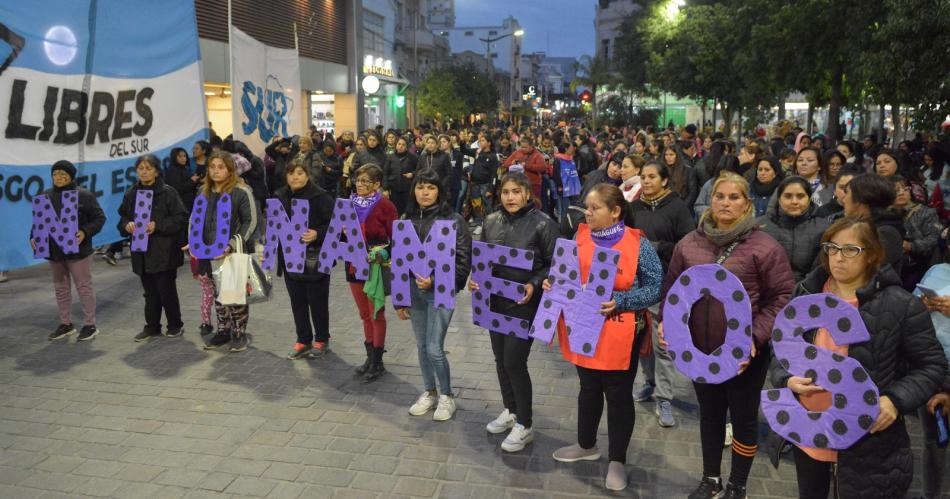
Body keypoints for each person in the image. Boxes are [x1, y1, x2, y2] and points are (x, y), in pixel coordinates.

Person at [770, 216, 947, 499]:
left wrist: (895, 400)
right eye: (832, 248)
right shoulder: (806, 292)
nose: (838, 258)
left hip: (868, 441)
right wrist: (785, 377)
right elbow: (781, 347)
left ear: (871, 255)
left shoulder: (900, 305)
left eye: (850, 250)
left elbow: (932, 365)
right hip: (809, 430)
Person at [660, 172, 795, 499]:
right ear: (711, 199)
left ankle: (737, 485)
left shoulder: (764, 247)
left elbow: (783, 297)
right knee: (710, 415)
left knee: (744, 419)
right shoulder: (689, 243)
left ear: (747, 204)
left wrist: (755, 338)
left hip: (744, 355)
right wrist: (669, 324)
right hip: (700, 351)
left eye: (734, 197)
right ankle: (710, 479)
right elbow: (672, 290)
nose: (725, 202)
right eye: (720, 195)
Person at [547, 184, 663, 491]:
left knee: (618, 394)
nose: (588, 213)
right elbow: (567, 274)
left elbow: (655, 287)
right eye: (587, 207)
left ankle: (617, 460)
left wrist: (622, 301)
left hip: (621, 330)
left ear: (616, 211)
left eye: (595, 208)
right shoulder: (579, 236)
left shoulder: (638, 244)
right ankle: (586, 445)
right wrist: (553, 285)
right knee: (588, 388)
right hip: (582, 326)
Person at [470, 172, 557, 453]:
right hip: (495, 300)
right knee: (500, 360)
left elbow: (555, 265)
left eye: (516, 191)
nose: (510, 197)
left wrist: (533, 284)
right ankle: (510, 409)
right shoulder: (491, 220)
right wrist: (476, 277)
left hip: (525, 304)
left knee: (514, 361)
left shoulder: (544, 224)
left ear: (527, 194)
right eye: (505, 192)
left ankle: (525, 424)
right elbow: (482, 257)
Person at [396, 170, 472, 421]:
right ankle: (429, 392)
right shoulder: (406, 218)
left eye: (430, 187)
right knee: (421, 346)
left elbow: (463, 263)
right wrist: (399, 299)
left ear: (440, 190)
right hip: (413, 292)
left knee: (434, 348)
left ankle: (447, 396)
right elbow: (399, 260)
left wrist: (436, 281)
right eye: (420, 187)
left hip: (440, 291)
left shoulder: (453, 221)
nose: (425, 193)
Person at [626, 162, 695, 428]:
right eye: (643, 176)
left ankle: (664, 398)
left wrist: (658, 247)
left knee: (663, 343)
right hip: (637, 283)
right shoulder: (634, 207)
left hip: (666, 284)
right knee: (642, 340)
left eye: (652, 176)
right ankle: (649, 382)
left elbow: (687, 244)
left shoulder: (677, 208)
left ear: (665, 181)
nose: (647, 180)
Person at [187, 152, 257, 352]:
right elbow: (194, 219)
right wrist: (192, 242)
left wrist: (231, 245)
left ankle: (239, 333)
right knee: (217, 294)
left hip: (231, 252)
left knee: (234, 294)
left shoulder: (241, 191)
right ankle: (223, 331)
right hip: (207, 252)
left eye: (221, 167)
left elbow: (250, 222)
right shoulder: (203, 191)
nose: (216, 171)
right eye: (212, 167)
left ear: (230, 170)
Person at [117, 154, 188, 341]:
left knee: (166, 291)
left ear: (156, 171)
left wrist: (158, 225)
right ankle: (152, 326)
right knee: (149, 292)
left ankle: (175, 325)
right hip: (141, 251)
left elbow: (180, 218)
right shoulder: (131, 193)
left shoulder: (168, 192)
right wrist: (127, 225)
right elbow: (122, 218)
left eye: (148, 168)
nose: (144, 172)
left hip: (164, 251)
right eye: (141, 168)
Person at [38, 160, 106, 342]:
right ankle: (66, 323)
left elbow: (99, 218)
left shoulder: (84, 195)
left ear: (71, 176)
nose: (58, 177)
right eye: (55, 174)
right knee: (60, 288)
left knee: (83, 287)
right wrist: (33, 237)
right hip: (55, 252)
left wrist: (85, 232)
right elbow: (39, 221)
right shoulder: (46, 195)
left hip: (79, 252)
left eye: (62, 174)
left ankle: (89, 324)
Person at [274, 158, 336, 359]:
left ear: (307, 175)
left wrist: (317, 233)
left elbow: (336, 225)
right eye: (291, 173)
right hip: (290, 258)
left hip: (315, 258)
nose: (295, 177)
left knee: (317, 302)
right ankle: (303, 340)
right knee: (297, 302)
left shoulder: (321, 197)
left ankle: (321, 339)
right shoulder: (280, 196)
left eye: (300, 173)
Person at [348, 165, 398, 382]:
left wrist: (382, 253)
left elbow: (396, 238)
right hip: (353, 264)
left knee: (376, 312)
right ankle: (369, 358)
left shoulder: (386, 206)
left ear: (377, 184)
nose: (360, 185)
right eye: (358, 180)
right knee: (364, 314)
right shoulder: (348, 204)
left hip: (375, 265)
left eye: (366, 181)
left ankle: (377, 361)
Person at [757, 177, 830, 283]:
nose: (794, 201)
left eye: (800, 196)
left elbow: (820, 271)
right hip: (768, 290)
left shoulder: (823, 228)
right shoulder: (760, 226)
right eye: (788, 196)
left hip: (808, 291)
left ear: (809, 199)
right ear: (779, 198)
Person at [918, 262, 950, 499]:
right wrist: (923, 305)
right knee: (933, 441)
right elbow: (910, 306)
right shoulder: (937, 270)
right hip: (931, 369)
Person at [840, 173, 904, 269]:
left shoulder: (887, 234)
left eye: (847, 193)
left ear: (861, 199)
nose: (843, 199)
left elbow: (866, 270)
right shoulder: (849, 226)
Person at [891, 175, 942, 291]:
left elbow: (933, 239)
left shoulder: (926, 213)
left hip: (916, 264)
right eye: (896, 190)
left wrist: (911, 246)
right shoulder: (884, 213)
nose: (901, 193)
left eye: (905, 189)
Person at [382, 136, 418, 214]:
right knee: (394, 212)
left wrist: (412, 174)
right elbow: (385, 173)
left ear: (407, 146)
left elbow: (419, 170)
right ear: (396, 145)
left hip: (408, 190)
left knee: (407, 212)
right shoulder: (390, 157)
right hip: (393, 190)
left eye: (403, 145)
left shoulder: (413, 157)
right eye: (399, 144)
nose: (400, 146)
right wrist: (385, 189)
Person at [469, 134, 499, 224]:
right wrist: (462, 142)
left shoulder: (493, 156)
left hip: (485, 185)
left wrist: (491, 189)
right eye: (480, 141)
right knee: (477, 205)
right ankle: (479, 223)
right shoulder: (477, 152)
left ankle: (491, 224)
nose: (480, 142)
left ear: (489, 143)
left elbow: (494, 174)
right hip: (474, 184)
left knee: (487, 206)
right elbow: (464, 150)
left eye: (483, 140)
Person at [164, 147, 197, 213]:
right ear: (174, 157)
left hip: (188, 204)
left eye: (185, 156)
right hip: (181, 206)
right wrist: (192, 181)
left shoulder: (184, 168)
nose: (183, 158)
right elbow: (177, 189)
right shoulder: (173, 170)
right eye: (180, 156)